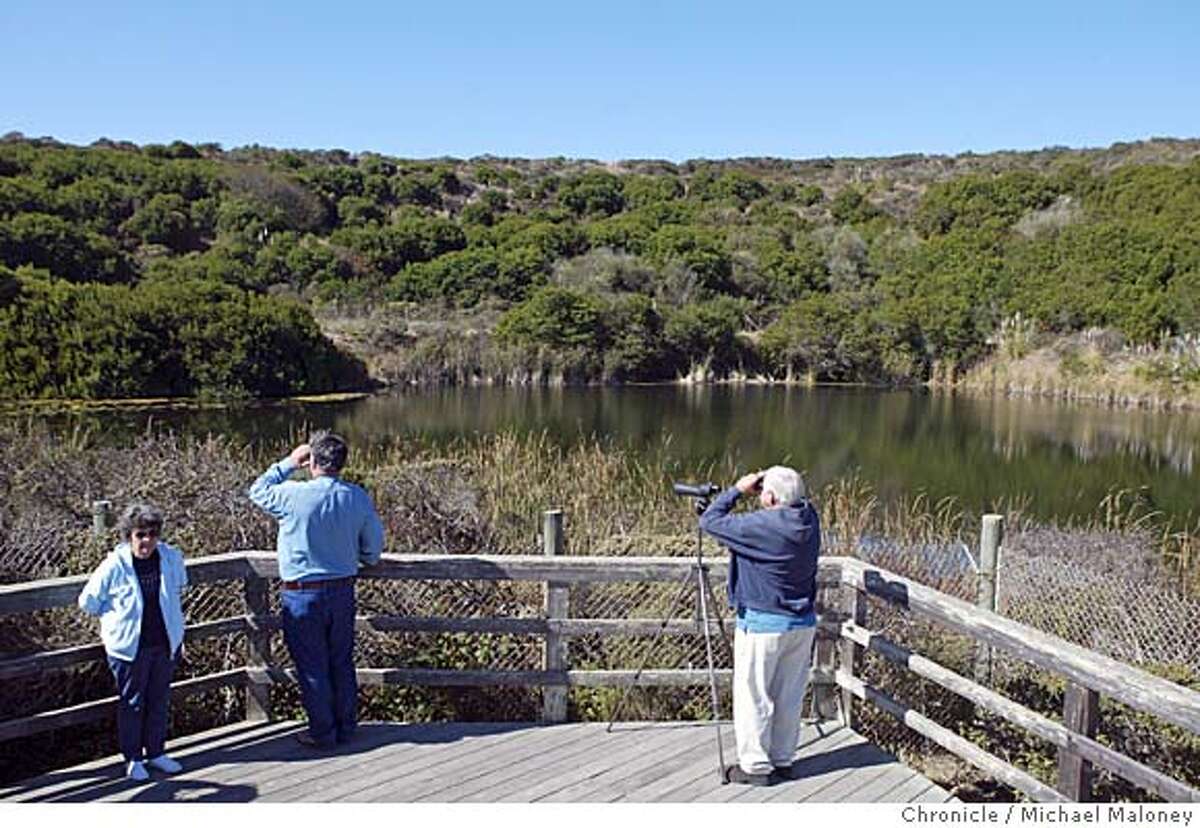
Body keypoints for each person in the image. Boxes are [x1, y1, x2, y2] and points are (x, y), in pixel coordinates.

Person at [248, 431, 384, 749]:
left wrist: (287, 463)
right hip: (341, 592)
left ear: (312, 463)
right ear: (341, 464)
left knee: (311, 666)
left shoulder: (292, 495)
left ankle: (323, 732)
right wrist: (359, 557)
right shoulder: (357, 497)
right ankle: (346, 727)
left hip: (301, 594)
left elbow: (256, 490)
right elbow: (373, 551)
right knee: (341, 662)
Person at [698, 465, 820, 786]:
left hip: (764, 624)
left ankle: (754, 766)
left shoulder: (761, 526)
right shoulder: (810, 519)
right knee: (789, 695)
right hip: (802, 623)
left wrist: (737, 491)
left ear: (768, 496)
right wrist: (771, 487)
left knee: (754, 694)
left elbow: (709, 521)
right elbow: (792, 498)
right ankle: (782, 760)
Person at [78, 504, 188, 782]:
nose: (147, 541)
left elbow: (179, 588)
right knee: (132, 703)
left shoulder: (171, 558)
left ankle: (156, 752)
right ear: (129, 536)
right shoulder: (114, 565)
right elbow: (88, 601)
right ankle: (133, 758)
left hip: (163, 643)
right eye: (140, 534)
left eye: (152, 534)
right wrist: (117, 619)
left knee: (159, 701)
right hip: (129, 648)